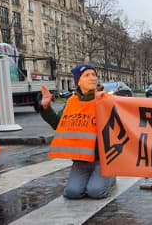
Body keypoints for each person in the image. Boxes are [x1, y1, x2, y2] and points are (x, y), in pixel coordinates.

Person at [39, 64, 116, 199]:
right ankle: (96, 179)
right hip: (81, 160)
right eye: (87, 75)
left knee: (95, 192)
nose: (92, 78)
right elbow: (59, 124)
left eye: (94, 75)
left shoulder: (105, 99)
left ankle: (110, 178)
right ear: (78, 81)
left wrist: (104, 105)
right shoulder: (72, 101)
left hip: (102, 160)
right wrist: (46, 107)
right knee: (72, 193)